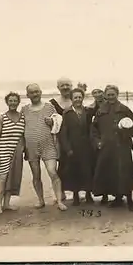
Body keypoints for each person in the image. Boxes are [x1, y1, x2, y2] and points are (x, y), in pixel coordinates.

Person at [91, 85, 133, 211]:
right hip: (106, 147)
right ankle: (117, 199)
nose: (111, 97)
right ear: (105, 95)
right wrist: (97, 142)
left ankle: (129, 200)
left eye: (113, 94)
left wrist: (125, 132)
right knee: (109, 173)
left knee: (125, 173)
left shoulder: (124, 109)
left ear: (117, 94)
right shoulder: (101, 110)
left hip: (122, 146)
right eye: (108, 95)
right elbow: (94, 129)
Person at [22, 83, 67, 211]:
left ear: (41, 92)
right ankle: (40, 200)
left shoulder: (49, 107)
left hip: (48, 145)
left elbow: (58, 123)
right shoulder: (24, 109)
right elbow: (19, 127)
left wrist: (52, 122)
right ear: (28, 95)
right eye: (32, 92)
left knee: (52, 172)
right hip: (31, 147)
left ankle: (59, 200)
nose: (35, 94)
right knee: (36, 175)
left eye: (37, 91)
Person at [59, 88, 95, 206]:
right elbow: (63, 133)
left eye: (80, 97)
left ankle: (88, 194)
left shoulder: (88, 111)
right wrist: (67, 148)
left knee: (87, 170)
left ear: (83, 98)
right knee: (74, 171)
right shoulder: (67, 113)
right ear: (71, 99)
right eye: (75, 97)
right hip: (73, 147)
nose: (78, 99)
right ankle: (75, 196)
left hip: (86, 146)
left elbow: (92, 128)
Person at [0, 92, 26, 214]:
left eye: (15, 101)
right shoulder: (2, 117)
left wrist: (23, 149)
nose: (13, 103)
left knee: (13, 178)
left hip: (17, 152)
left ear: (18, 102)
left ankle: (6, 204)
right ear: (7, 102)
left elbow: (23, 136)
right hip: (4, 151)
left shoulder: (22, 117)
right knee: (2, 178)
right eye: (10, 101)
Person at [49, 77, 73, 201]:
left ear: (71, 86)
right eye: (62, 85)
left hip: (74, 138)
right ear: (58, 87)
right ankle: (61, 192)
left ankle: (76, 191)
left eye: (67, 85)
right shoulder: (52, 103)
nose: (65, 87)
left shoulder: (76, 100)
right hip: (57, 139)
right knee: (61, 166)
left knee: (75, 164)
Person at [87, 88, 109, 204]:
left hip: (108, 137)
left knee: (108, 167)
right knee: (99, 168)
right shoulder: (91, 108)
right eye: (94, 93)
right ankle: (103, 194)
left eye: (99, 92)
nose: (97, 94)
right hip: (97, 139)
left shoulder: (108, 104)